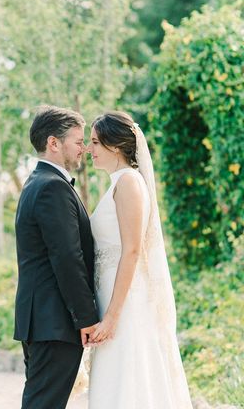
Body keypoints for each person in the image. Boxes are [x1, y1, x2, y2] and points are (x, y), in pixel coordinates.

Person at [86, 111, 193, 408]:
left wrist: (112, 316)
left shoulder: (130, 183)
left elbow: (133, 250)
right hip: (111, 295)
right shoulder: (116, 183)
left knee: (130, 379)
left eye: (95, 142)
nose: (89, 149)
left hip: (127, 301)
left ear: (115, 145)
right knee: (115, 379)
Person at [14, 105, 99, 409]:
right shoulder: (52, 187)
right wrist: (86, 317)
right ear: (53, 143)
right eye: (78, 142)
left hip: (43, 319)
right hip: (54, 321)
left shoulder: (38, 183)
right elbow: (67, 258)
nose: (84, 149)